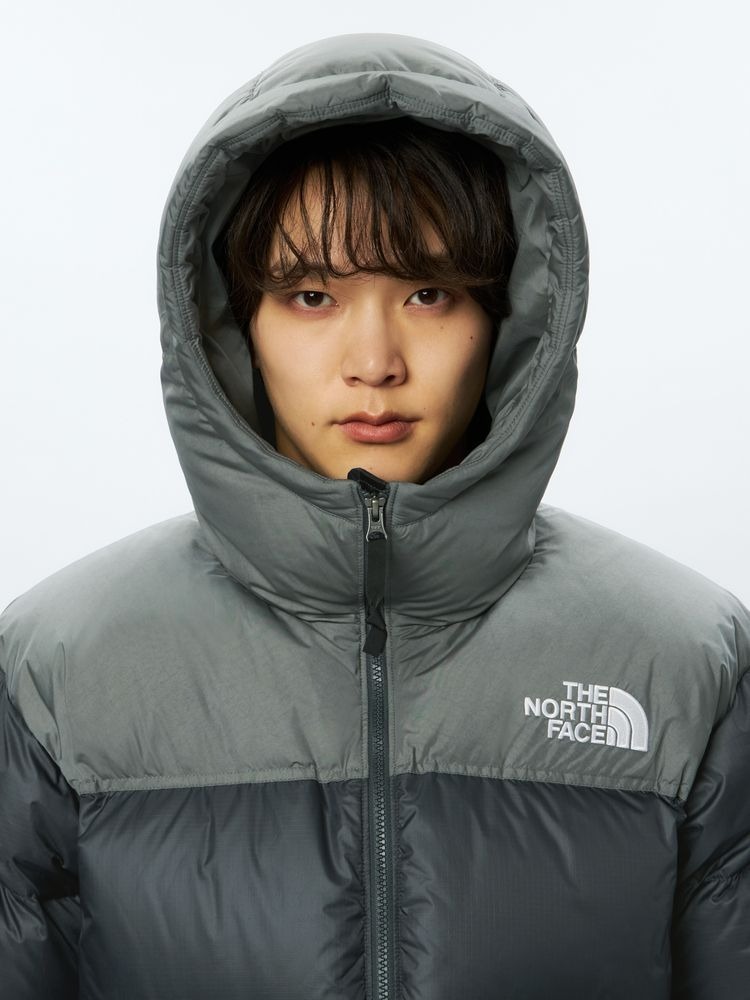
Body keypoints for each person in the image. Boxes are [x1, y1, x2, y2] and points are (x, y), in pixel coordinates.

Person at [0, 31, 748, 1000]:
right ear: (230, 323)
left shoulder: (684, 660)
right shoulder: (56, 672)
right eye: (311, 295)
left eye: (430, 294)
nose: (374, 362)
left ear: (511, 318)